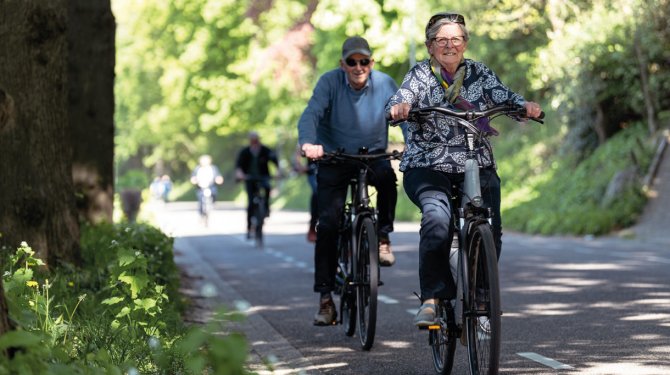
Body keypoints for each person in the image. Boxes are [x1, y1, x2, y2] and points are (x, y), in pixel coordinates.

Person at [386, 12, 543, 327]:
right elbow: (401, 97)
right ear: (430, 46)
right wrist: (399, 108)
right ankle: (433, 297)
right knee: (436, 218)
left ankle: (482, 291)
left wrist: (523, 106)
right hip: (428, 163)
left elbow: (503, 96)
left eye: (455, 39)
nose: (449, 45)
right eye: (441, 40)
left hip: (476, 160)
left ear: (465, 43)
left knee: (490, 225)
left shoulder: (479, 73)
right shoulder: (419, 75)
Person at [298, 36, 400, 326]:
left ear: (372, 63)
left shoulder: (384, 84)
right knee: (328, 224)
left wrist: (417, 144)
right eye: (352, 62)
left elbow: (404, 115)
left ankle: (382, 236)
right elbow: (311, 115)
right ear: (342, 64)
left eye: (364, 61)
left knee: (388, 181)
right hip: (334, 157)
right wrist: (308, 143)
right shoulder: (329, 83)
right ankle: (326, 299)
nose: (358, 67)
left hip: (372, 156)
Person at [235, 131, 279, 238]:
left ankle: (266, 208)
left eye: (256, 139)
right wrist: (240, 175)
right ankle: (249, 226)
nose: (254, 142)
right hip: (249, 178)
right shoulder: (245, 152)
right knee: (250, 202)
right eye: (252, 140)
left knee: (267, 189)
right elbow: (238, 166)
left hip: (264, 176)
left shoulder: (265, 150)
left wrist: (278, 172)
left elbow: (275, 161)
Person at [292, 145, 318, 243]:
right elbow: (299, 151)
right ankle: (312, 227)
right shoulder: (311, 132)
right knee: (316, 191)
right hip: (313, 170)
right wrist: (299, 166)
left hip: (333, 166)